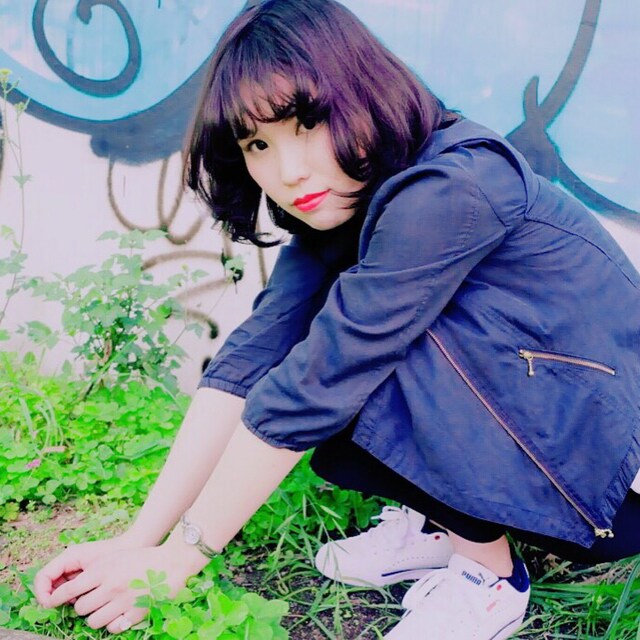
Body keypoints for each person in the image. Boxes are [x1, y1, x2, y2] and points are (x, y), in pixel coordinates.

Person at [34, 0, 640, 638]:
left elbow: (319, 382)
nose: (289, 172)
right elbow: (254, 356)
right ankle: (442, 527)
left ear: (362, 93)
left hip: (606, 466)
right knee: (323, 337)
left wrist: (179, 561)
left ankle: (490, 578)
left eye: (308, 125)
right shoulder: (349, 198)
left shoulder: (450, 187)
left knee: (359, 350)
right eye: (258, 144)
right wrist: (139, 543)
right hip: (550, 428)